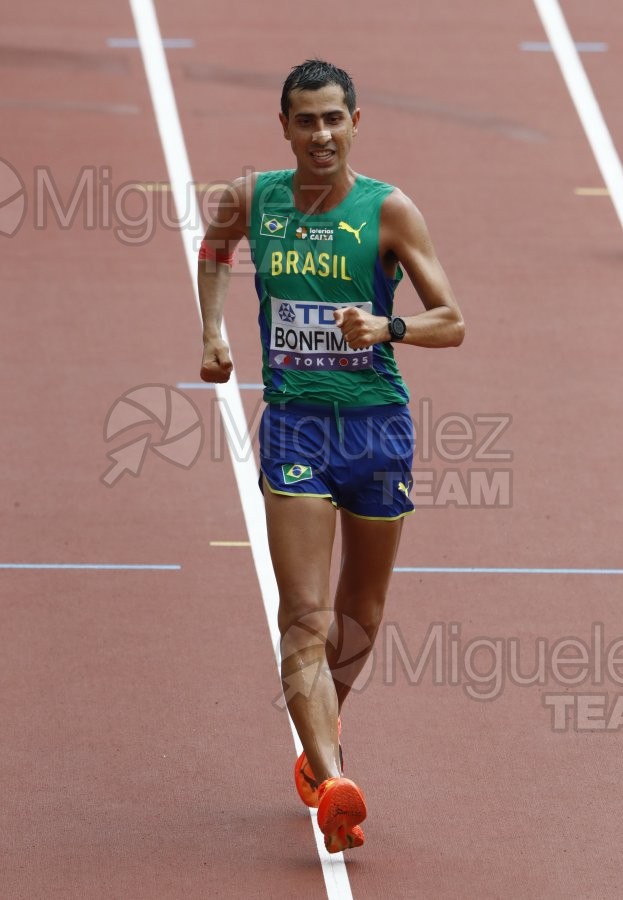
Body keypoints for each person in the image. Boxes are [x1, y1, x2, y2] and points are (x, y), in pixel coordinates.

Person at [198, 59, 464, 853]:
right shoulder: (253, 197)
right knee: (305, 617)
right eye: (304, 120)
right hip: (295, 429)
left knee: (361, 617)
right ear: (282, 126)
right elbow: (214, 249)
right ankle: (330, 774)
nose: (319, 133)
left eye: (332, 119)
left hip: (375, 429)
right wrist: (211, 331)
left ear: (355, 123)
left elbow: (451, 318)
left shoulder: (388, 211)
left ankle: (322, 716)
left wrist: (389, 329)